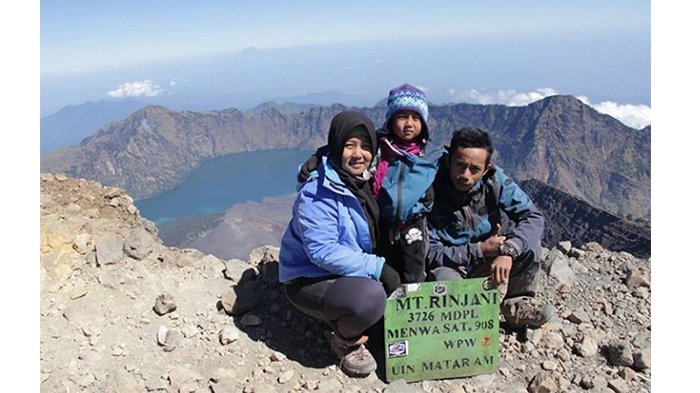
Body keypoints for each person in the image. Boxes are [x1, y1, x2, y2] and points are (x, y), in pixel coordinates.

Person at [279, 110, 401, 377]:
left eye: (366, 146)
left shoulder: (363, 182)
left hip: (345, 271)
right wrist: (378, 267)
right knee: (370, 298)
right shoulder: (317, 192)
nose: (359, 154)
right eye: (349, 145)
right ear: (336, 147)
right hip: (308, 278)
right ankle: (345, 340)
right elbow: (321, 250)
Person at [298, 83, 444, 285]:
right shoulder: (379, 145)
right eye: (402, 117)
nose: (409, 124)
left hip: (413, 223)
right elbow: (343, 143)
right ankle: (385, 308)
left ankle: (412, 308)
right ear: (391, 120)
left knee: (413, 270)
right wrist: (318, 156)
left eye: (416, 117)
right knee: (387, 264)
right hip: (381, 220)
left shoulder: (432, 155)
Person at [426, 127, 554, 329]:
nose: (465, 175)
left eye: (475, 169)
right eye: (460, 165)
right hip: (449, 264)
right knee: (445, 281)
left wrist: (508, 250)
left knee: (530, 244)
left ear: (486, 169)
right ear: (449, 160)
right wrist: (479, 250)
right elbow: (430, 253)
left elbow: (533, 216)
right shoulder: (429, 187)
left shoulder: (494, 181)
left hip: (487, 258)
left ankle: (517, 306)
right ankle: (459, 322)